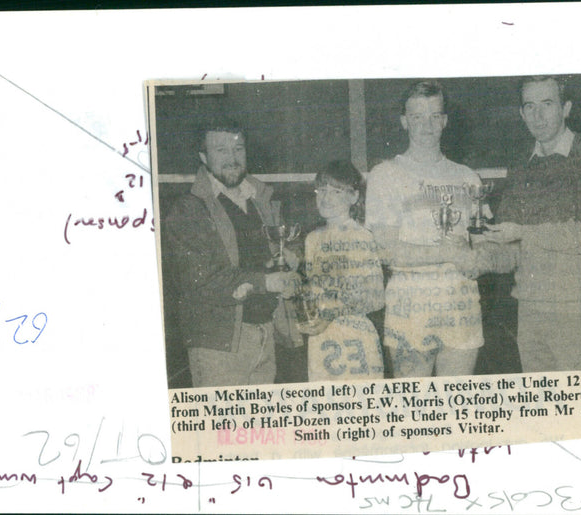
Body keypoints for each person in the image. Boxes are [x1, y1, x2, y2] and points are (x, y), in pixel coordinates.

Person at [480, 75, 581, 372]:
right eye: (529, 106)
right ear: (521, 113)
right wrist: (476, 255)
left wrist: (520, 232)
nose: (537, 115)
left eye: (547, 104)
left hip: (580, 313)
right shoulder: (521, 165)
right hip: (530, 312)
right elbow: (510, 246)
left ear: (566, 108)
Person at [161, 121, 301, 387]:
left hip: (266, 334)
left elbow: (273, 252)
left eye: (238, 148)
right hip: (219, 346)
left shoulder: (260, 198)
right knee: (222, 428)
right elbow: (199, 279)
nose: (232, 158)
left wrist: (289, 257)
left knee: (261, 428)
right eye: (221, 150)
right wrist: (266, 281)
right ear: (203, 157)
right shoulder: (188, 209)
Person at [365, 80, 485, 378]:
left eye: (434, 116)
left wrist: (481, 259)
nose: (426, 125)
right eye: (417, 117)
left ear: (444, 121)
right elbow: (386, 250)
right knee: (414, 411)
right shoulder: (385, 175)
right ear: (405, 122)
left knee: (458, 411)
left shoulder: (468, 177)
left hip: (462, 307)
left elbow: (481, 244)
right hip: (410, 308)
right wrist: (447, 253)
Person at [298, 161, 385, 381]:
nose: (326, 198)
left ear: (354, 197)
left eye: (336, 191)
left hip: (355, 336)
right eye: (322, 190)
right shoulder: (312, 239)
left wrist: (330, 312)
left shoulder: (362, 236)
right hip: (321, 337)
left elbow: (376, 298)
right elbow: (314, 292)